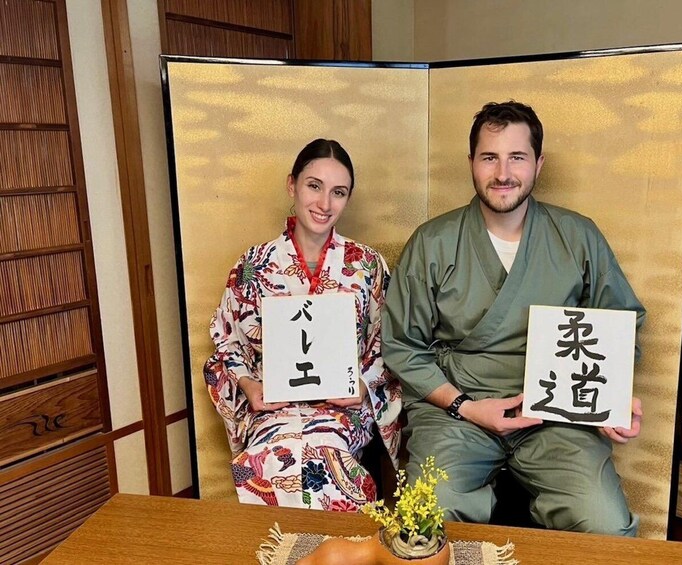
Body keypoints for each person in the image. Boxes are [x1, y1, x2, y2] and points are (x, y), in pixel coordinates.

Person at [382, 101, 646, 535]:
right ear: (471, 162)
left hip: (556, 416)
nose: (503, 173)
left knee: (604, 522)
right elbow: (401, 345)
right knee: (426, 519)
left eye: (517, 157)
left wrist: (610, 398)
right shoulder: (433, 242)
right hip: (457, 409)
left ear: (538, 164)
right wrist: (466, 406)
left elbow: (619, 322)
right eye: (490, 157)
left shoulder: (577, 236)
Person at [204, 139, 402, 510]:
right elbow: (227, 337)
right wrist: (248, 385)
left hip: (342, 411)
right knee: (269, 458)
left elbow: (390, 340)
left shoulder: (366, 265)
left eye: (338, 192)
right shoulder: (254, 264)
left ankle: (334, 543)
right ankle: (284, 542)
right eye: (314, 186)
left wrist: (363, 385)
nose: (324, 204)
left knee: (321, 454)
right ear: (291, 185)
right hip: (273, 409)